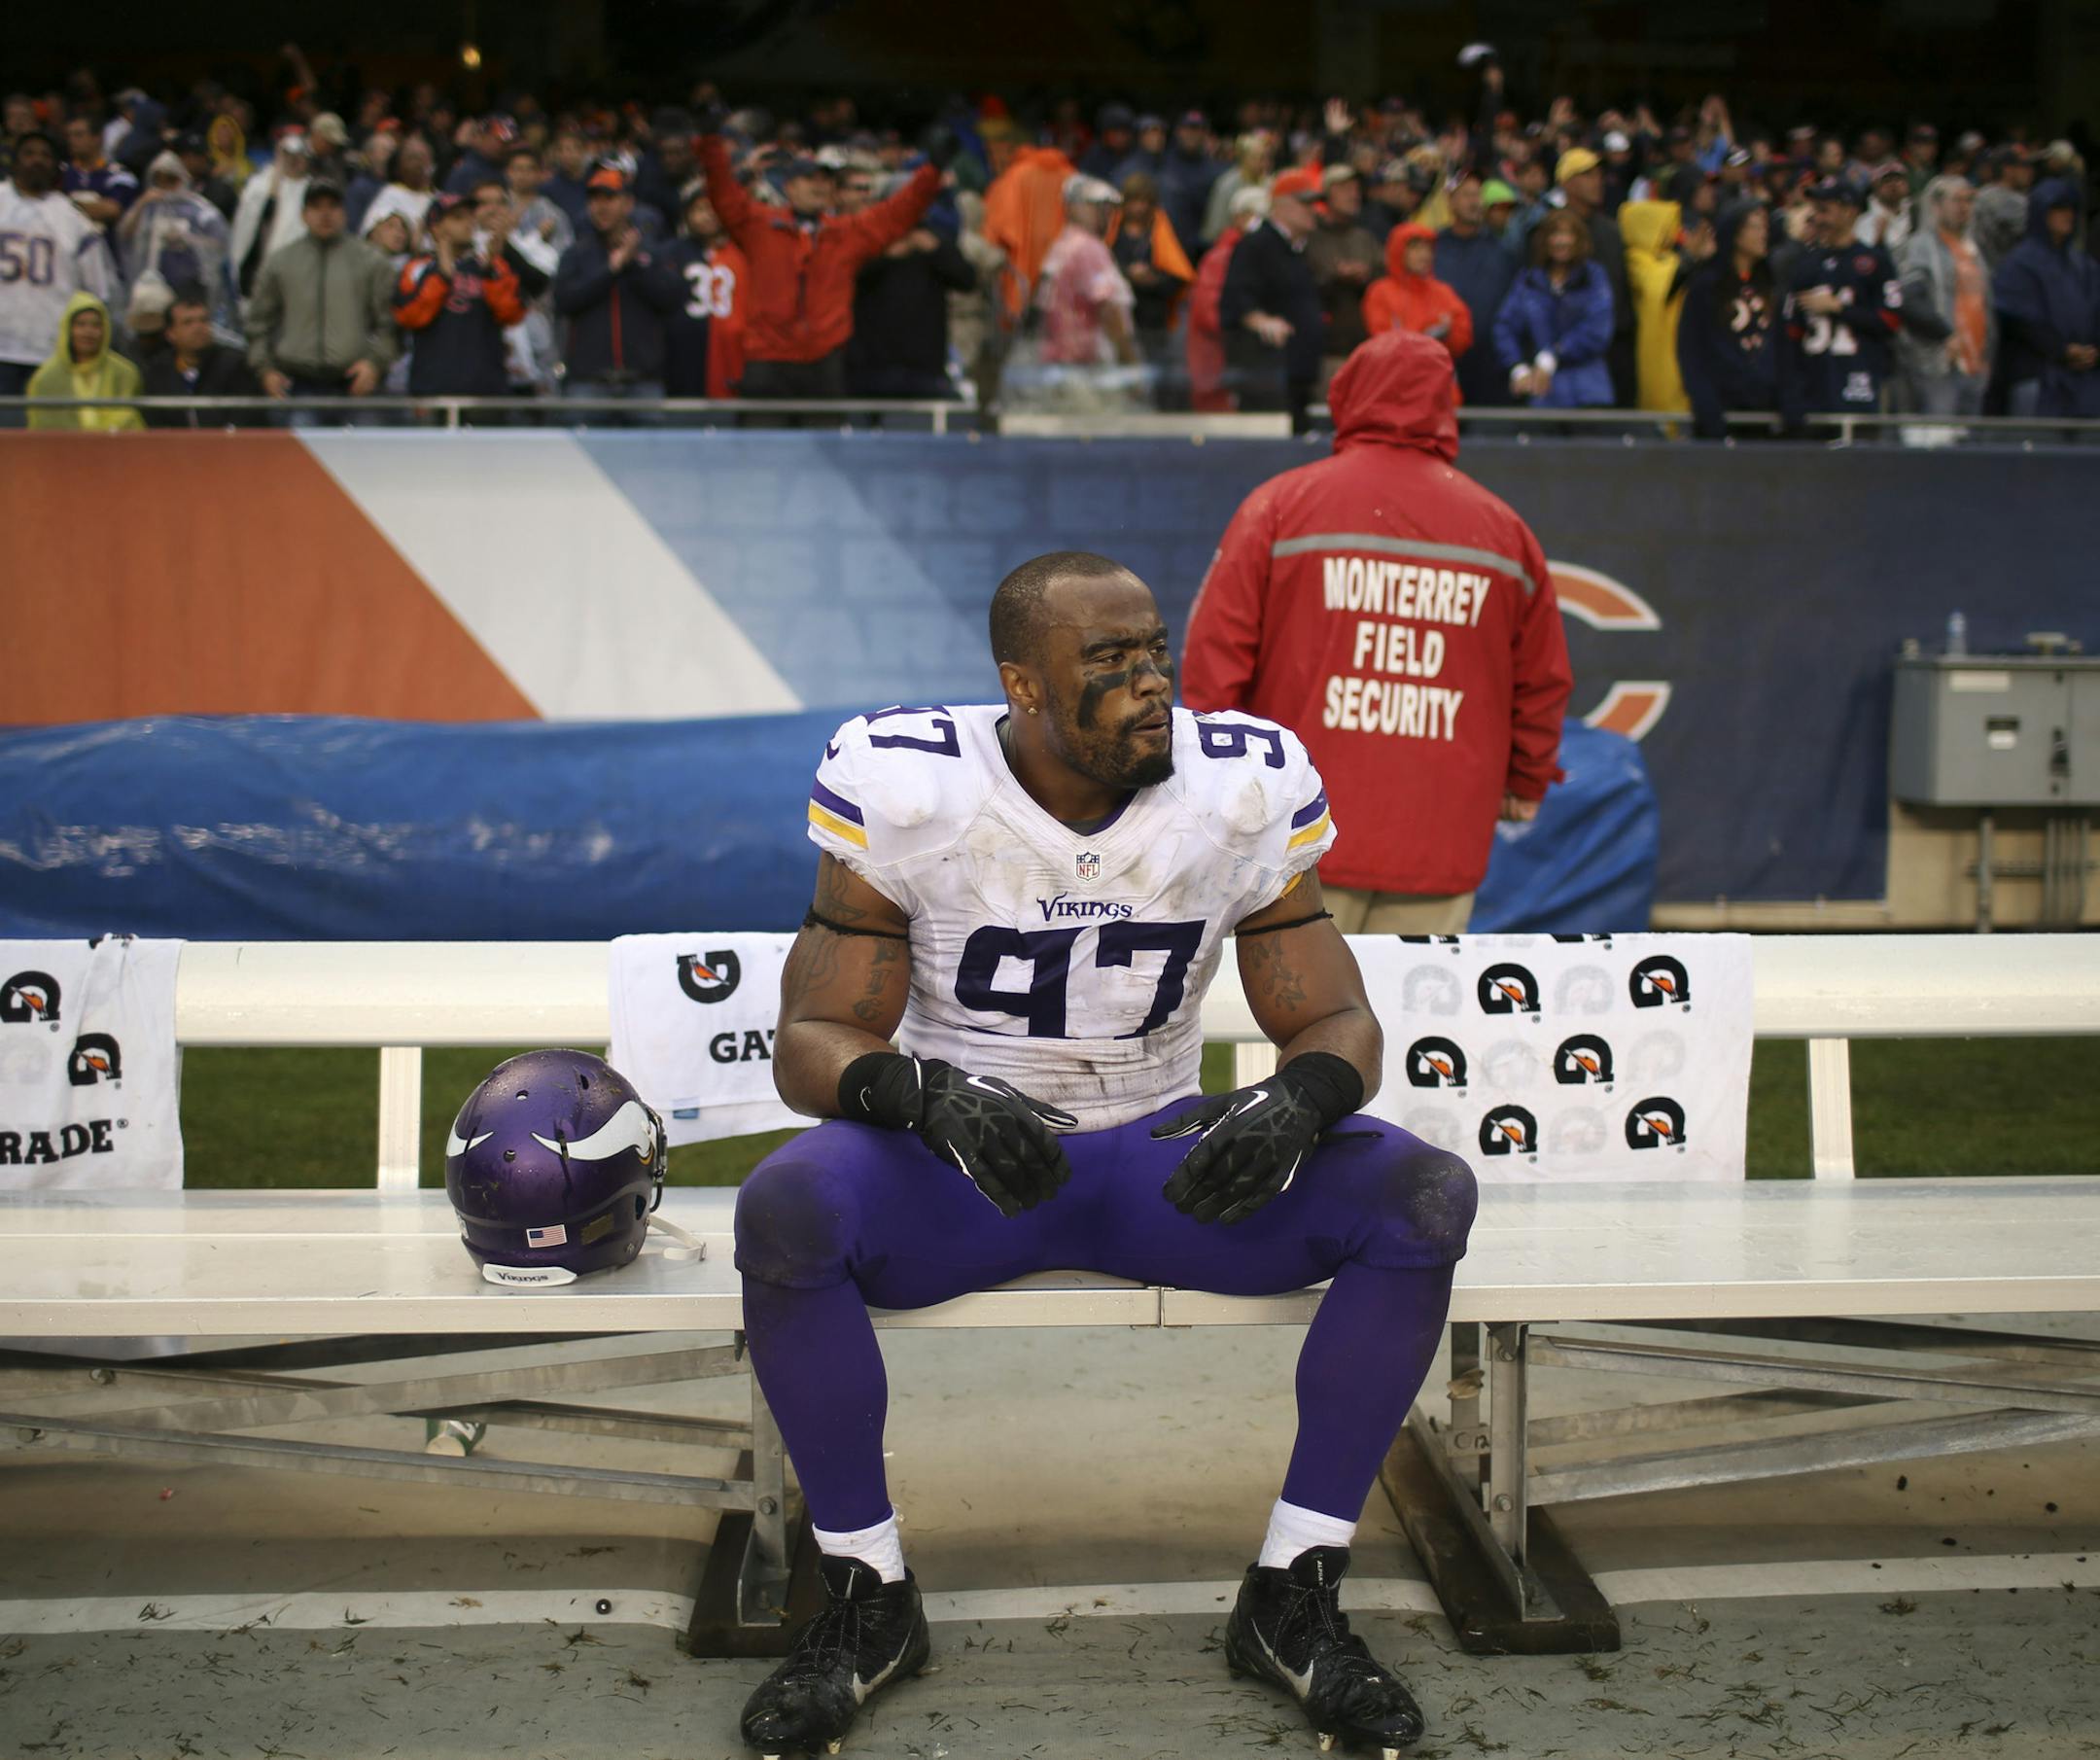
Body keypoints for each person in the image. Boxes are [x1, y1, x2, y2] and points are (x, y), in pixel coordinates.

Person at [732, 546, 1476, 1759]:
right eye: (1111, 663)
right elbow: (812, 1037)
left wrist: (1302, 1098)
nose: (1152, 687)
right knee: (787, 1209)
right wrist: (912, 1091)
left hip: (1159, 1155)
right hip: (964, 1161)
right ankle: (868, 1596)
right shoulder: (910, 784)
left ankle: (1295, 1588)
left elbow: (1335, 1015)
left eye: (1156, 653)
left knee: (1421, 1194)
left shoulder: (1238, 788)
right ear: (1022, 687)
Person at [1181, 328, 1570, 933]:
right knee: (1410, 1019)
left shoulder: (1281, 507)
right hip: (1441, 836)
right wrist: (1526, 778)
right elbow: (1542, 680)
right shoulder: (1505, 533)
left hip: (1293, 835)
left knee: (1293, 1022)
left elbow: (1215, 658)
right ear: (1448, 403)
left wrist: (1217, 781)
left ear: (1348, 394)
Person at [699, 113, 948, 399]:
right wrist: (710, 144)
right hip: (767, 359)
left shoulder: (846, 233)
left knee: (828, 442)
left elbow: (898, 213)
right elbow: (723, 194)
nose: (818, 185)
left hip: (824, 363)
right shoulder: (760, 226)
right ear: (789, 187)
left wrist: (934, 170)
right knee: (763, 444)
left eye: (824, 179)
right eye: (808, 178)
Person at [244, 180, 398, 414]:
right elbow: (257, 324)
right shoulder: (280, 262)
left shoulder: (372, 262)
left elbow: (391, 325)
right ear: (304, 214)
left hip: (356, 384)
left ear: (344, 213)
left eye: (333, 206)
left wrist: (375, 365)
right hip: (295, 384)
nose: (325, 214)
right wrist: (265, 370)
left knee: (363, 450)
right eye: (316, 206)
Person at [0, 130, 117, 420]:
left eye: (45, 155)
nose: (37, 160)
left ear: (57, 167)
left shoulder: (74, 220)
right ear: (14, 162)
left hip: (52, 351)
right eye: (29, 154)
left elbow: (96, 292)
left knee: (45, 444)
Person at [551, 162, 682, 408]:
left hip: (643, 382)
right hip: (589, 382)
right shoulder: (576, 254)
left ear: (628, 203)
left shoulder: (653, 252)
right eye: (594, 199)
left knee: (648, 447)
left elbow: (671, 299)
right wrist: (610, 270)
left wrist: (633, 265)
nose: (601, 207)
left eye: (610, 198)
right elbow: (564, 301)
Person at [1778, 178, 1902, 431]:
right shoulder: (1805, 264)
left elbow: (1891, 321)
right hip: (1813, 384)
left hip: (1859, 381)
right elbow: (1790, 332)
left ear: (1850, 211)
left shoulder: (1875, 262)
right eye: (1816, 210)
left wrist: (1839, 309)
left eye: (1825, 210)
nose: (1818, 218)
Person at [847, 175, 975, 398]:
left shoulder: (934, 240)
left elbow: (967, 280)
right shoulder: (868, 238)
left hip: (924, 366)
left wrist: (936, 251)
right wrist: (885, 257)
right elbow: (845, 279)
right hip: (872, 366)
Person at [392, 192, 526, 401]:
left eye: (469, 217)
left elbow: (511, 314)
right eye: (457, 218)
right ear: (436, 228)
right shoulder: (417, 268)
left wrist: (490, 272)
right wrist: (442, 276)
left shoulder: (492, 265)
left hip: (486, 390)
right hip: (432, 390)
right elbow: (410, 316)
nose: (468, 224)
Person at [1220, 164, 1325, 428]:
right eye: (1306, 204)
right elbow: (1235, 299)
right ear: (1282, 205)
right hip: (1268, 377)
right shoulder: (1256, 245)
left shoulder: (1298, 249)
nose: (1315, 210)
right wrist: (1261, 321)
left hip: (1297, 374)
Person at [1994, 178, 2100, 418]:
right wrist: (2062, 349)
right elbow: (2017, 318)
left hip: (2087, 378)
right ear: (2041, 212)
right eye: (2059, 209)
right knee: (2036, 449)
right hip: (2038, 376)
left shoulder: (2083, 264)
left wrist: (2093, 351)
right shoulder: (2020, 263)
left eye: (2071, 209)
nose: (2068, 215)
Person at [1676, 199, 1780, 439]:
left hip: (1766, 413)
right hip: (1720, 412)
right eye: (1755, 227)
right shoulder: (1706, 287)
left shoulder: (1770, 285)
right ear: (1735, 233)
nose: (1763, 234)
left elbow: (1781, 347)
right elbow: (1691, 352)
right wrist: (1708, 409)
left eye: (1765, 227)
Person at [1493, 210, 1616, 407]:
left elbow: (1598, 329)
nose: (1561, 241)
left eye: (1568, 234)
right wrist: (1517, 367)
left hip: (1589, 393)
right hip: (1543, 396)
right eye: (1555, 234)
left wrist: (1553, 356)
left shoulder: (1594, 277)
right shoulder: (1529, 280)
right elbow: (1505, 326)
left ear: (1579, 240)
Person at [1896, 176, 1993, 418]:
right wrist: (1944, 334)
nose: (1964, 207)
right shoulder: (1920, 246)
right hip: (1937, 363)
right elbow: (1909, 299)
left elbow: (1985, 305)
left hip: (1974, 362)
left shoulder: (1974, 251)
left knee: (1972, 443)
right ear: (1936, 206)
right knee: (1938, 440)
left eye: (1969, 200)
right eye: (1957, 200)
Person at [118, 150, 236, 342]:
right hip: (154, 290)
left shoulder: (201, 210)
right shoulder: (148, 209)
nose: (165, 187)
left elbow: (221, 245)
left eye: (170, 180)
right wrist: (141, 204)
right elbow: (125, 236)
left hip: (191, 287)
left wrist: (188, 240)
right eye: (159, 180)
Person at [1035, 173, 1137, 367]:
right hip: (1086, 365)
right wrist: (1130, 361)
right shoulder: (1089, 248)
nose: (1106, 215)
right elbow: (1109, 309)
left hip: (1061, 360)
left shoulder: (1063, 243)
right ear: (1075, 208)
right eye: (1098, 206)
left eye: (1108, 209)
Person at [1555, 146, 1630, 405]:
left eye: (1599, 175)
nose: (1597, 181)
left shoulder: (1612, 231)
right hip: (1564, 350)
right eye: (1587, 175)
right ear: (1567, 183)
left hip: (1614, 348)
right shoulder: (1549, 231)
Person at [1435, 171, 1517, 405]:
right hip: (1444, 358)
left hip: (1491, 362)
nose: (1474, 202)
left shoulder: (1501, 250)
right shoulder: (1434, 247)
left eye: (1477, 195)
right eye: (1466, 195)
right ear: (1450, 200)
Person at [1187, 185, 1266, 412]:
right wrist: (1253, 319)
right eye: (1257, 215)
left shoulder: (1251, 255)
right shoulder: (1221, 257)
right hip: (1217, 366)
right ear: (1239, 217)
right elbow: (1210, 314)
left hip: (1243, 366)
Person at [663, 185, 747, 399]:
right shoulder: (671, 253)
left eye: (713, 209)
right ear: (688, 216)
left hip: (733, 357)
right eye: (699, 210)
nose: (707, 216)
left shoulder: (742, 252)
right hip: (682, 357)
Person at [1360, 223, 1472, 380]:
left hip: (1436, 382)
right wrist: (1427, 337)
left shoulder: (1443, 292)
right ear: (1399, 251)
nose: (1424, 255)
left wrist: (1448, 335)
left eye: (1428, 249)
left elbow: (1463, 336)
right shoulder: (1380, 291)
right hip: (1395, 382)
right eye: (1416, 248)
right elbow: (1382, 340)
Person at [1105, 171, 1194, 370]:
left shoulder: (1161, 229)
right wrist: (1129, 275)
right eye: (1134, 201)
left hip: (1153, 322)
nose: (1140, 207)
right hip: (1118, 319)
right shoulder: (1111, 229)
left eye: (1145, 202)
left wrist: (1152, 280)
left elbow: (1178, 276)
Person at [1306, 164, 1383, 386]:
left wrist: (1365, 276)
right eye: (1345, 188)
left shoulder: (1365, 238)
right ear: (1327, 193)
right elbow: (1302, 284)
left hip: (1365, 348)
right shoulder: (1311, 237)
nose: (1354, 194)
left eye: (1356, 188)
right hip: (1325, 350)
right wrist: (1335, 278)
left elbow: (1383, 277)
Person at [141, 287, 262, 424]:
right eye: (188, 322)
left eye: (203, 320)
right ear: (171, 333)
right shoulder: (158, 371)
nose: (198, 328)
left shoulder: (235, 365)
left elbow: (246, 418)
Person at [25, 290, 143, 429]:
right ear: (68, 329)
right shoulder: (46, 378)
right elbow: (42, 428)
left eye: (96, 325)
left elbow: (128, 421)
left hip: (115, 448)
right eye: (81, 325)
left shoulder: (125, 373)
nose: (88, 332)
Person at [229, 129, 311, 301]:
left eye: (299, 155)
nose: (294, 160)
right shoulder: (260, 185)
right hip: (262, 265)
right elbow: (249, 226)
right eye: (289, 155)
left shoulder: (312, 189)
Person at [1158, 109, 1223, 260]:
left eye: (1197, 129)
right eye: (1188, 129)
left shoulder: (1215, 171)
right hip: (1167, 246)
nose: (1192, 134)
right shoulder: (1161, 163)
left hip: (1203, 249)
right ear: (1178, 131)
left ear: (1206, 133)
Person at [1857, 162, 1913, 254]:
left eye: (1898, 179)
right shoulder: (1865, 218)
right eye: (1887, 181)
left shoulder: (1916, 211)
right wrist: (1879, 239)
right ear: (1876, 187)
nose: (1893, 185)